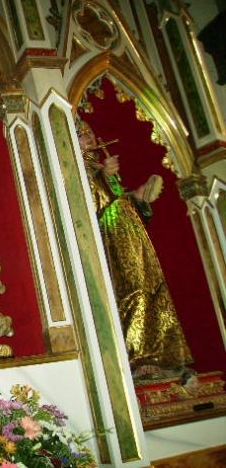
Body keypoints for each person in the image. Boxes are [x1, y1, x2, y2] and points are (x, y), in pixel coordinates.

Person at [78, 121, 193, 378]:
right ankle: (139, 357)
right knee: (132, 290)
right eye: (82, 134)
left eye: (90, 132)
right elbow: (86, 208)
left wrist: (138, 198)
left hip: (131, 236)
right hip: (109, 240)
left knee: (151, 287)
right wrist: (103, 177)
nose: (89, 137)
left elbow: (118, 202)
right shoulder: (75, 169)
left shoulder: (99, 167)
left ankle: (164, 356)